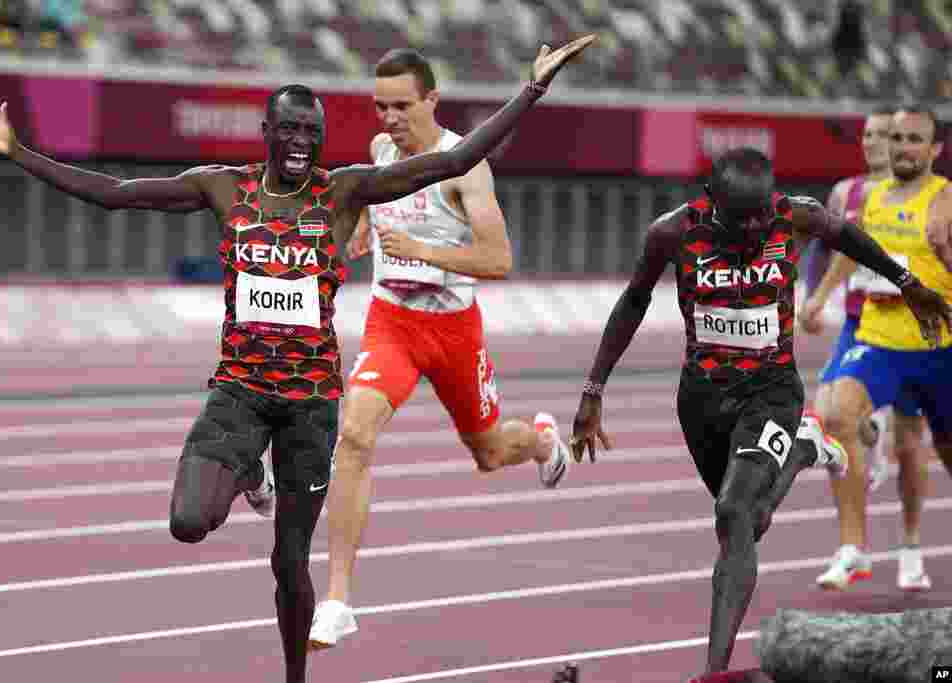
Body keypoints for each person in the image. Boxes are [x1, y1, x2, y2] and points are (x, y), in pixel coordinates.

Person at [0, 34, 594, 683]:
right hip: (240, 390)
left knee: (289, 567)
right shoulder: (225, 189)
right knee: (188, 521)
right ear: (266, 131)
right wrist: (17, 151)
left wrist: (532, 86)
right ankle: (252, 475)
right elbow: (116, 191)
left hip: (310, 406)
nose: (299, 140)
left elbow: (459, 161)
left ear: (319, 136)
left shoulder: (343, 193)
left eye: (310, 130)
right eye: (287, 128)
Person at [569, 147, 951, 677]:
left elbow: (852, 239)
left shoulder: (794, 215)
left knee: (733, 511)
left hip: (771, 391)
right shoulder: (672, 233)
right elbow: (633, 301)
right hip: (702, 397)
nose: (753, 226)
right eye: (739, 216)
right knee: (747, 524)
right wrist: (594, 388)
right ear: (711, 200)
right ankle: (803, 449)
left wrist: (908, 285)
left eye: (760, 214)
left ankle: (714, 673)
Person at [307, 47, 575, 650]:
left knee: (486, 453)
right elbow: (367, 217)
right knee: (353, 435)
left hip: (454, 331)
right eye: (380, 106)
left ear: (432, 100)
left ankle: (538, 441)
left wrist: (423, 252)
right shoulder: (380, 153)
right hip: (392, 325)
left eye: (402, 106)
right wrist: (352, 241)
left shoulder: (466, 168)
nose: (390, 118)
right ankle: (337, 600)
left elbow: (499, 260)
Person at [799, 105, 932, 591]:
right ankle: (852, 547)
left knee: (910, 445)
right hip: (863, 322)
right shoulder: (846, 193)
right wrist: (813, 298)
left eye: (886, 135)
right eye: (870, 135)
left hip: (916, 329)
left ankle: (912, 545)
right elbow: (829, 247)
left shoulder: (928, 197)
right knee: (829, 416)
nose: (876, 143)